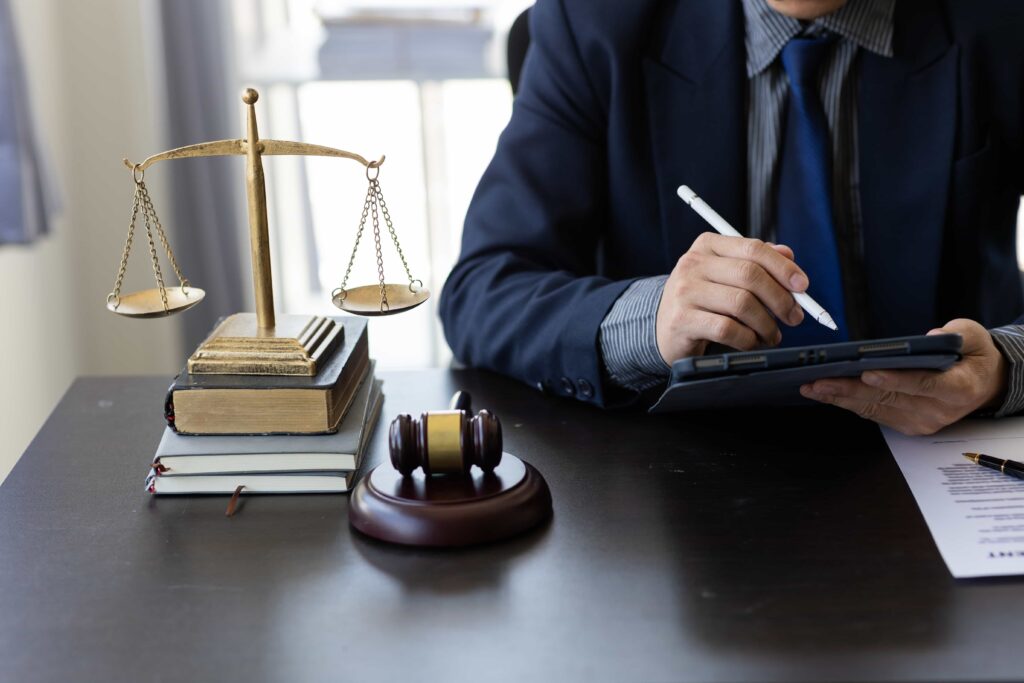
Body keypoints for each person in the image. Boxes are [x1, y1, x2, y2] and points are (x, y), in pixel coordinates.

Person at [438, 0, 1024, 435]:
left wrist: (1001, 368)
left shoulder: (1001, 21)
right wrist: (651, 321)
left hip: (941, 454)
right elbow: (483, 289)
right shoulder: (594, 20)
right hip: (671, 472)